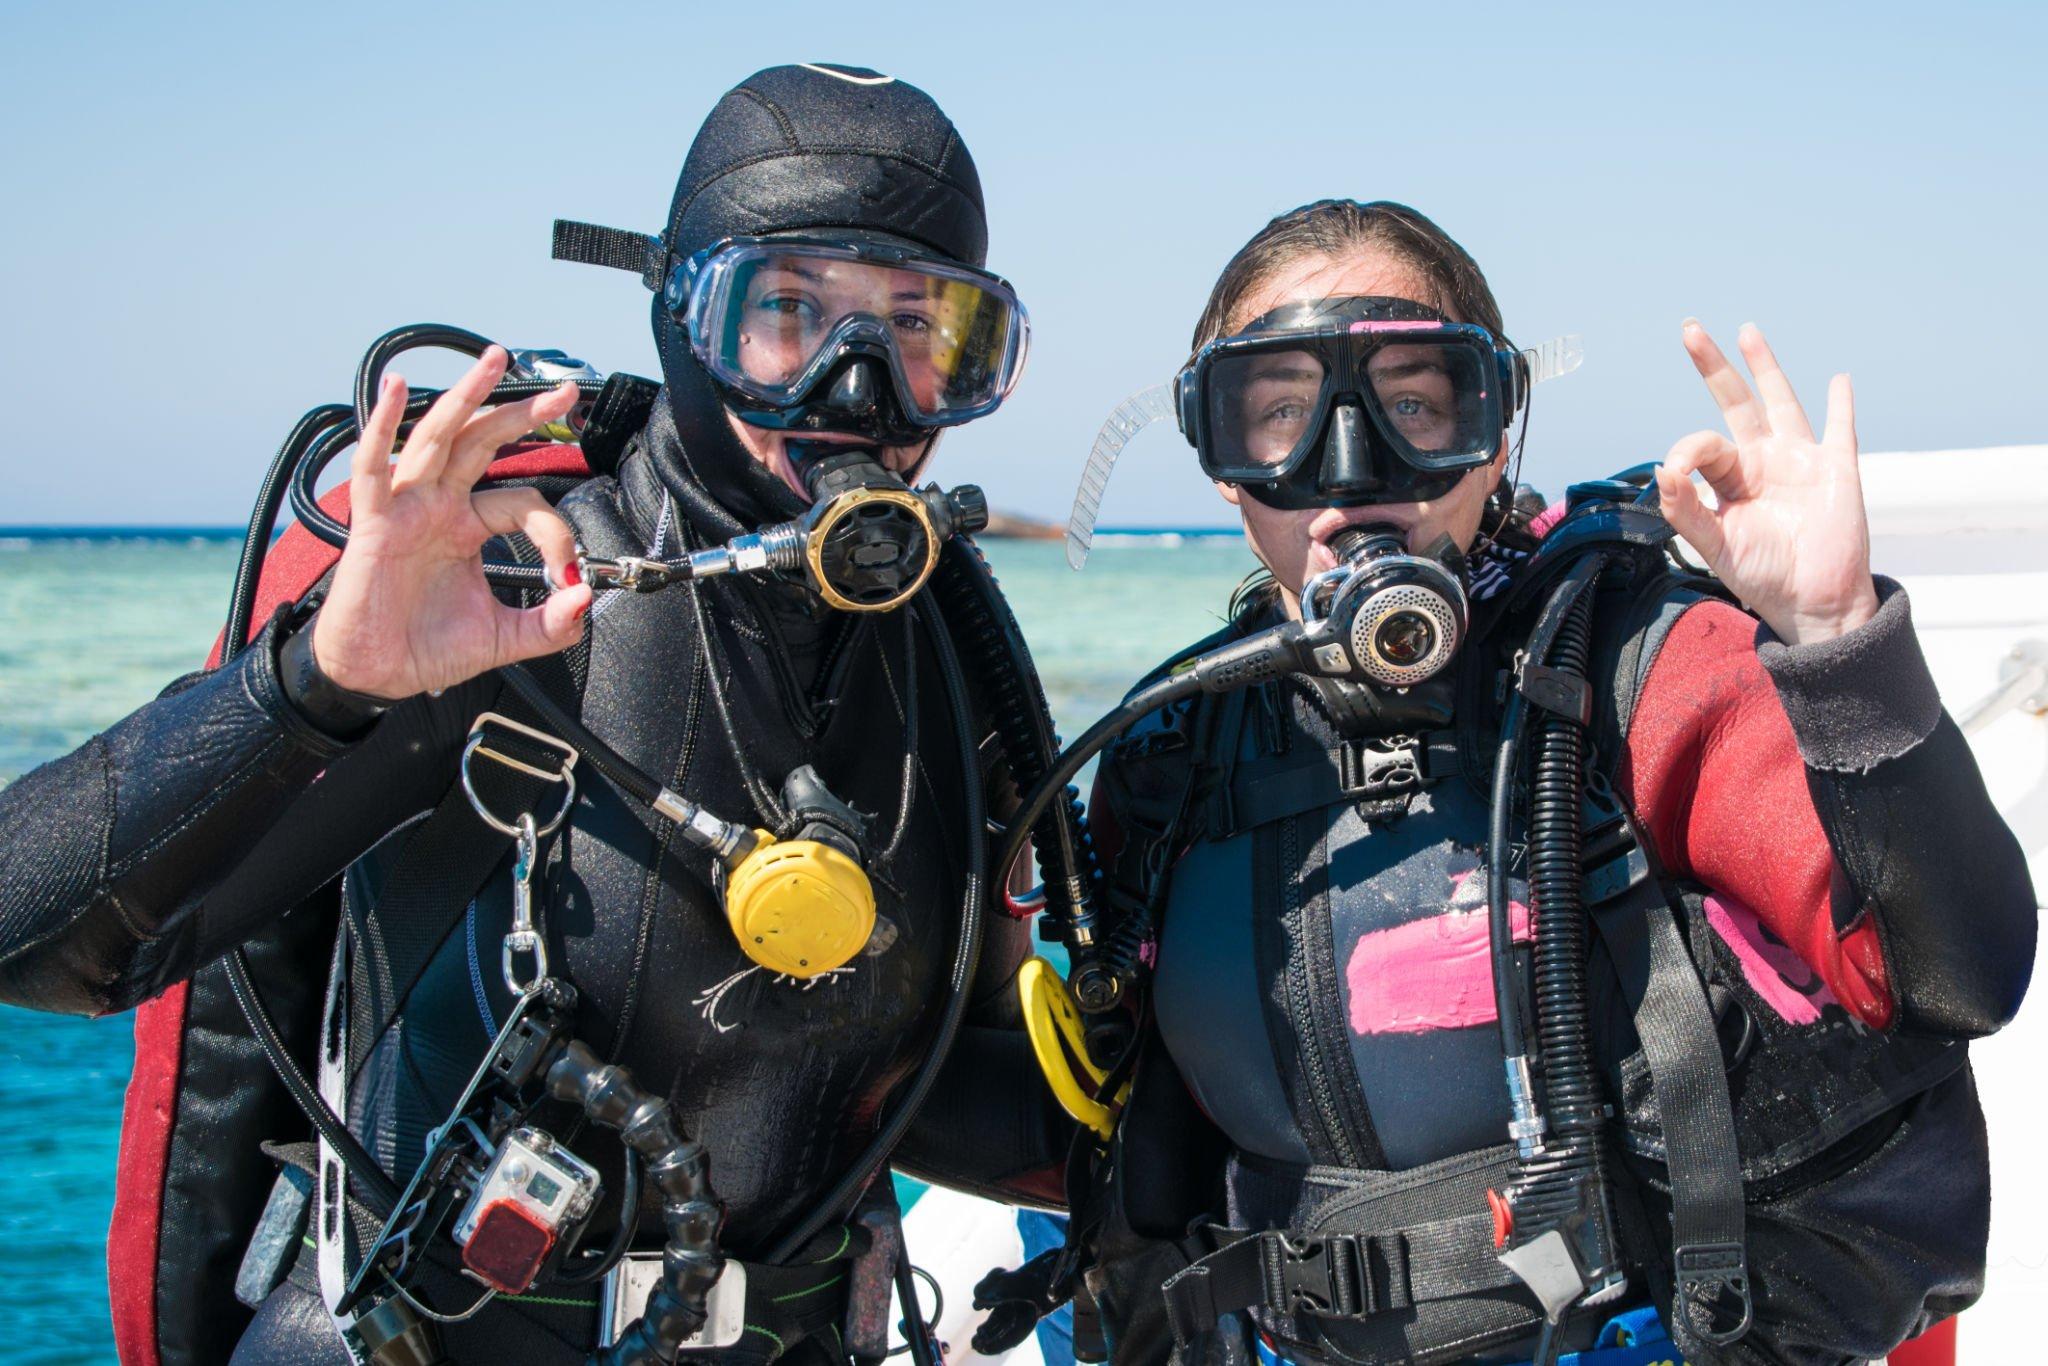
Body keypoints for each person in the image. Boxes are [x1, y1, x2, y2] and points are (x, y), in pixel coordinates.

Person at [0, 63, 1073, 1365]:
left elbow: (905, 1095)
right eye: (787, 313)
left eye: (922, 333)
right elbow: (38, 945)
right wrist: (318, 682)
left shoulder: (953, 668)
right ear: (684, 313)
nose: (861, 388)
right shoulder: (511, 597)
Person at [1034, 199, 2036, 1365]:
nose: (1350, 475)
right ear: (1220, 467)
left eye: (1414, 405)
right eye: (1278, 415)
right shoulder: (1171, 754)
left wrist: (1834, 640)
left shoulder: (1630, 670)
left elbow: (1960, 973)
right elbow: (1092, 1118)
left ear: (1495, 431)